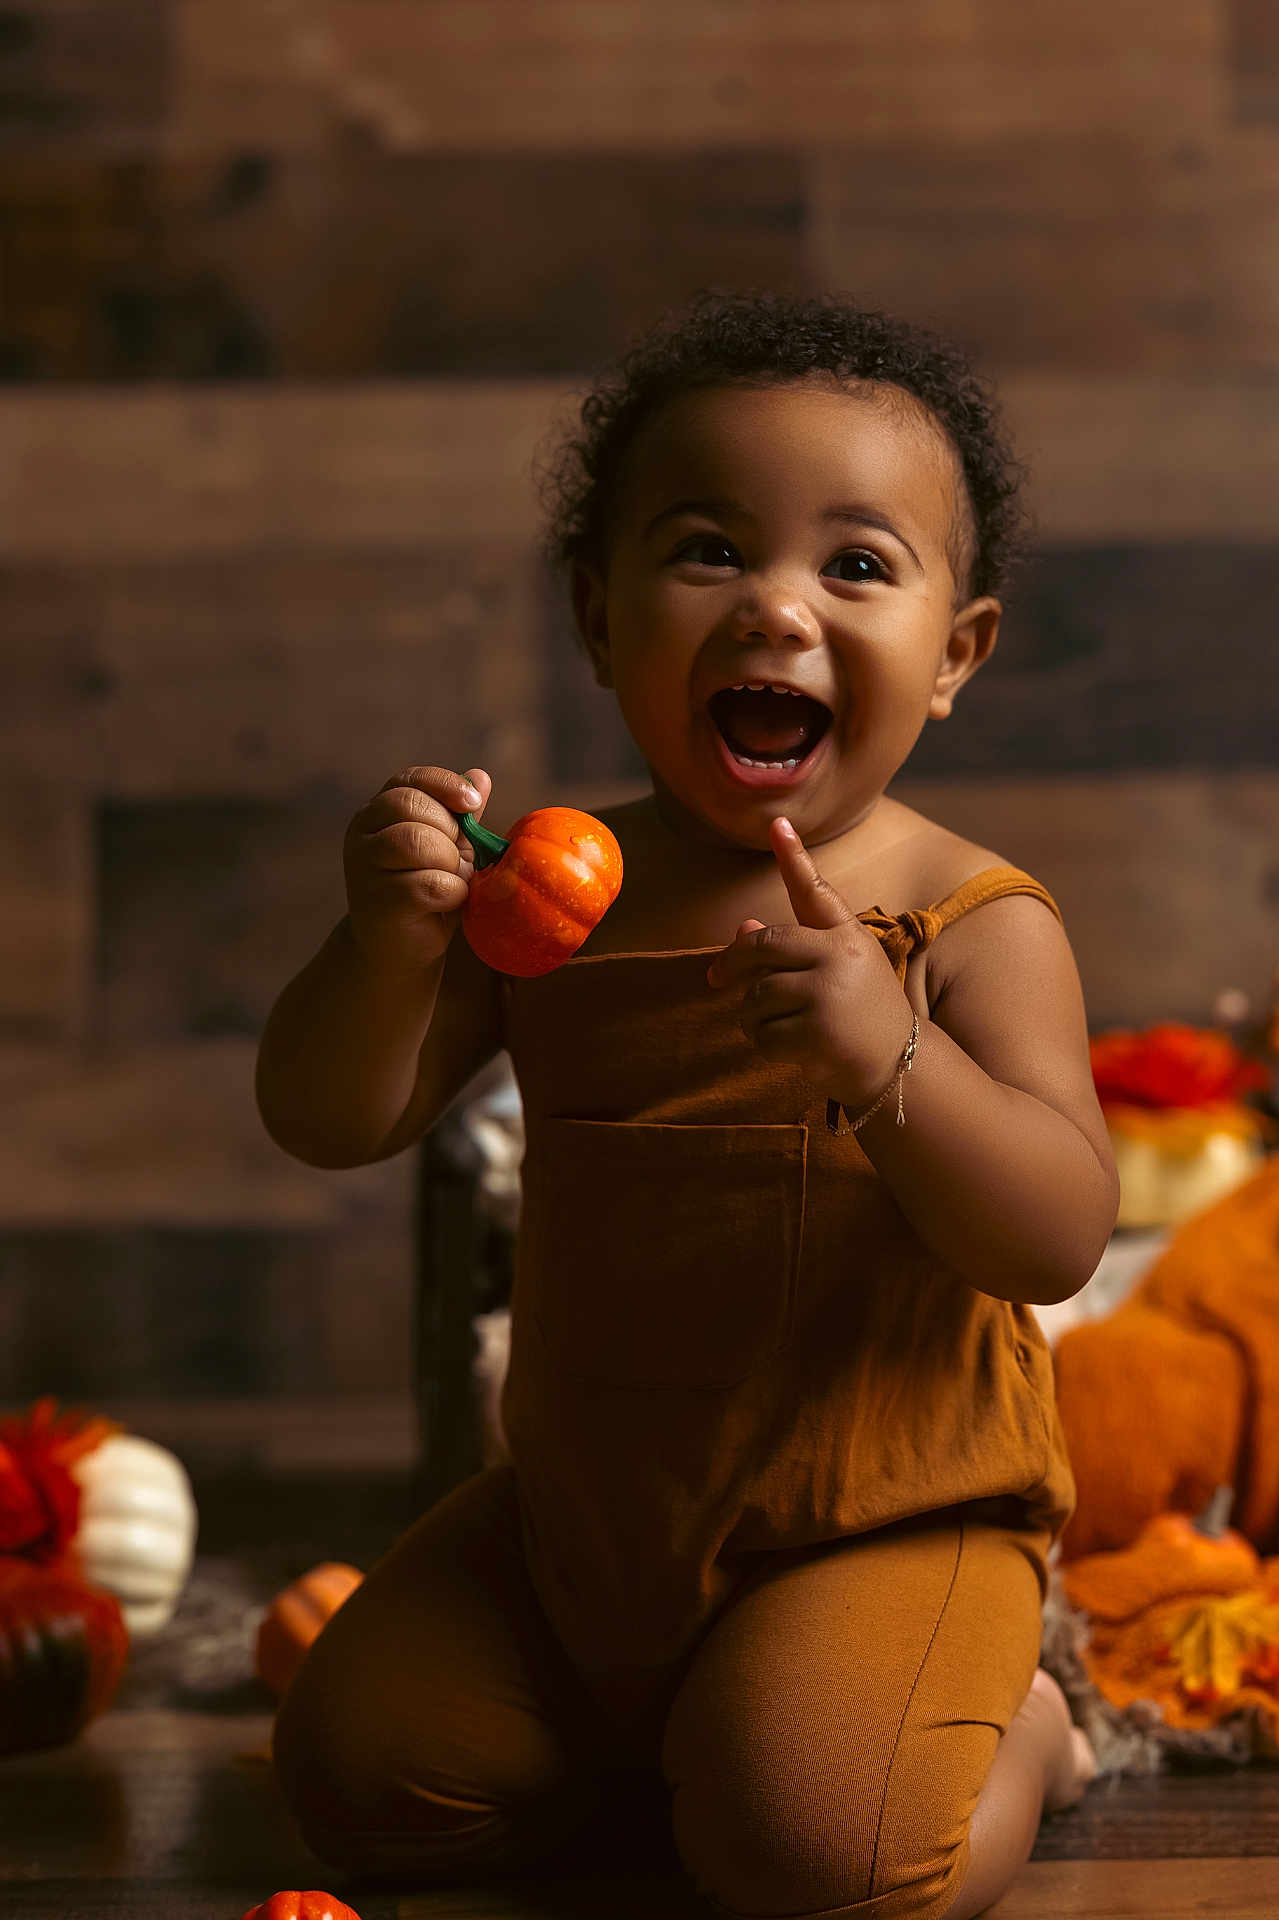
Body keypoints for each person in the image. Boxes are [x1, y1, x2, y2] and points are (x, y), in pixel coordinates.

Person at [256, 291, 1117, 1919]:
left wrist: (892, 1058)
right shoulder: (549, 897)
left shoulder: (971, 919)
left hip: (881, 1520)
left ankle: (1031, 1736)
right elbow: (328, 1117)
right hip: (591, 1530)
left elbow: (1059, 1233)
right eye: (710, 551)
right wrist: (385, 947)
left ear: (955, 654)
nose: (776, 607)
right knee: (359, 1778)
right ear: (600, 619)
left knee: (826, 1861)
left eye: (855, 565)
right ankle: (690, 1738)